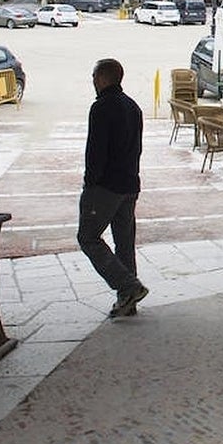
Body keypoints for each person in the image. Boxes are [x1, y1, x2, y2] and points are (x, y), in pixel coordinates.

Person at [78, 58, 148, 318]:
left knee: (88, 237)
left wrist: (90, 183)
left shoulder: (101, 108)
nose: (93, 81)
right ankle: (128, 301)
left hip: (106, 187)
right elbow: (137, 148)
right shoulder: (133, 107)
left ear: (102, 78)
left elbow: (95, 151)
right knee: (124, 242)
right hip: (130, 184)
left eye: (94, 77)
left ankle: (129, 287)